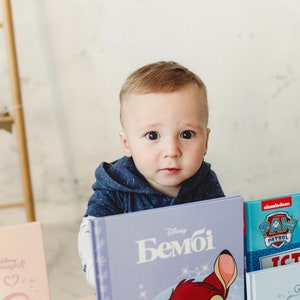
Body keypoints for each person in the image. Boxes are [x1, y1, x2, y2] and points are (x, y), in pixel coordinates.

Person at [78, 61, 225, 287]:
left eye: (186, 134)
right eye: (152, 136)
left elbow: (223, 230)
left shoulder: (204, 181)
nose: (171, 151)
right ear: (127, 144)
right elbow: (92, 235)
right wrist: (101, 273)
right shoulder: (115, 186)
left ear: (206, 141)